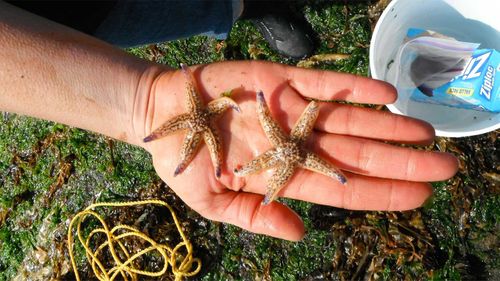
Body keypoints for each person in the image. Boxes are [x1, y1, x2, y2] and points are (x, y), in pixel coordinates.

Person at [0, 1, 458, 241]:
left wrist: (141, 95)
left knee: (192, 5)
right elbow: (283, 141)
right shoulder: (219, 127)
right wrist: (140, 104)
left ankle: (250, 4)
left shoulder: (268, 137)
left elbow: (287, 135)